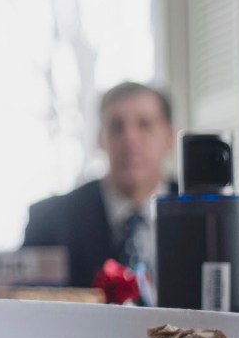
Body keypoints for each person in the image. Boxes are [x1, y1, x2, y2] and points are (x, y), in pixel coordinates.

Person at [23, 82, 178, 291]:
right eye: (116, 126)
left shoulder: (210, 218)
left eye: (144, 125)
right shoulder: (50, 221)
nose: (130, 138)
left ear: (169, 137)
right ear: (100, 138)